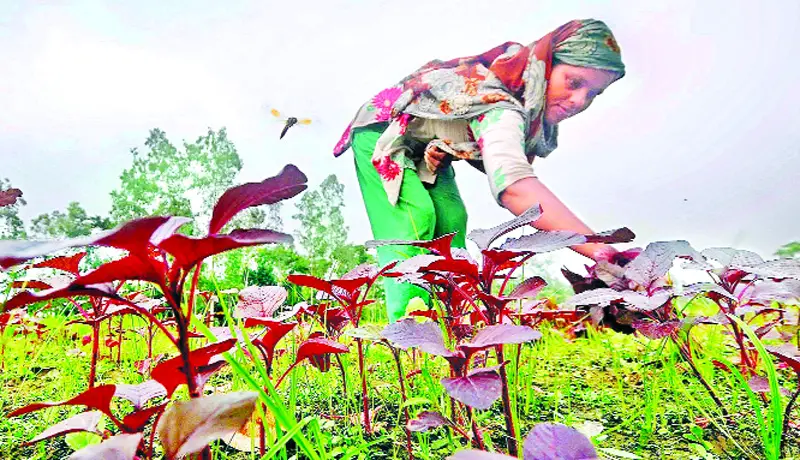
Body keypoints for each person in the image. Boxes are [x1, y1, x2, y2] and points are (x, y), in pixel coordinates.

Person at [332, 19, 627, 322]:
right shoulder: (499, 102)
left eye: (594, 94)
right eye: (574, 82)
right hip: (381, 131)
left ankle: (453, 323)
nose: (580, 101)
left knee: (451, 220)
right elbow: (514, 187)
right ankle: (410, 334)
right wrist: (601, 250)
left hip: (431, 146)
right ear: (547, 65)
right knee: (415, 219)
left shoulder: (519, 96)